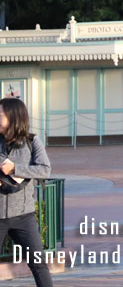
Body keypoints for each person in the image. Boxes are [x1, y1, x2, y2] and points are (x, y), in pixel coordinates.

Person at [0, 98, 52, 287]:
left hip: (24, 216)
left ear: (13, 117)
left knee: (38, 265)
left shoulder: (31, 141)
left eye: (0, 115)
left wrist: (15, 168)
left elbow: (45, 170)